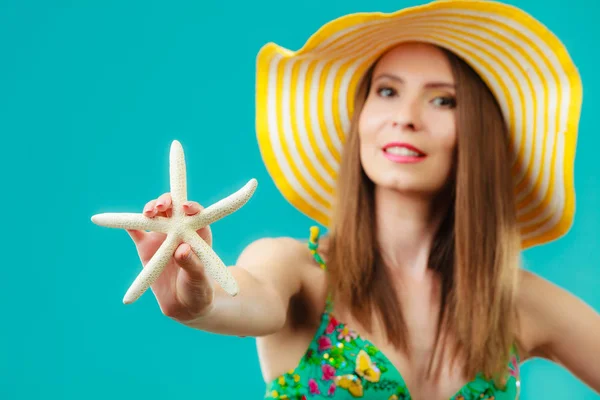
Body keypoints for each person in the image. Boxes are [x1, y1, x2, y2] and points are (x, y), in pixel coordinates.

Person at [125, 1, 600, 399]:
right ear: (360, 120)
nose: (405, 117)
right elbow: (240, 299)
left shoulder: (514, 301)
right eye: (387, 91)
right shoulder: (296, 272)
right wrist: (195, 296)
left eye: (443, 101)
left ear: (478, 136)